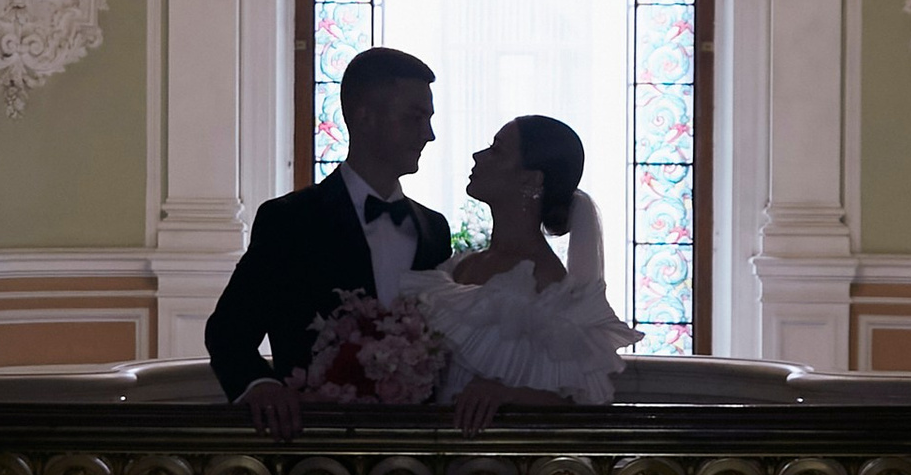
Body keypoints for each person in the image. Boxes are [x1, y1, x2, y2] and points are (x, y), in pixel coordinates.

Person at [207, 47, 452, 434]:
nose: (429, 134)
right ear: (364, 116)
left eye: (429, 119)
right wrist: (261, 386)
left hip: (415, 446)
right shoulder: (289, 221)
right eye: (415, 117)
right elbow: (228, 332)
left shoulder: (434, 230)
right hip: (315, 444)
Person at [402, 117, 633, 425]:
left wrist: (507, 394)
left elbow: (577, 402)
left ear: (531, 180)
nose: (478, 156)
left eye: (496, 150)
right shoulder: (463, 264)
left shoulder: (547, 283)